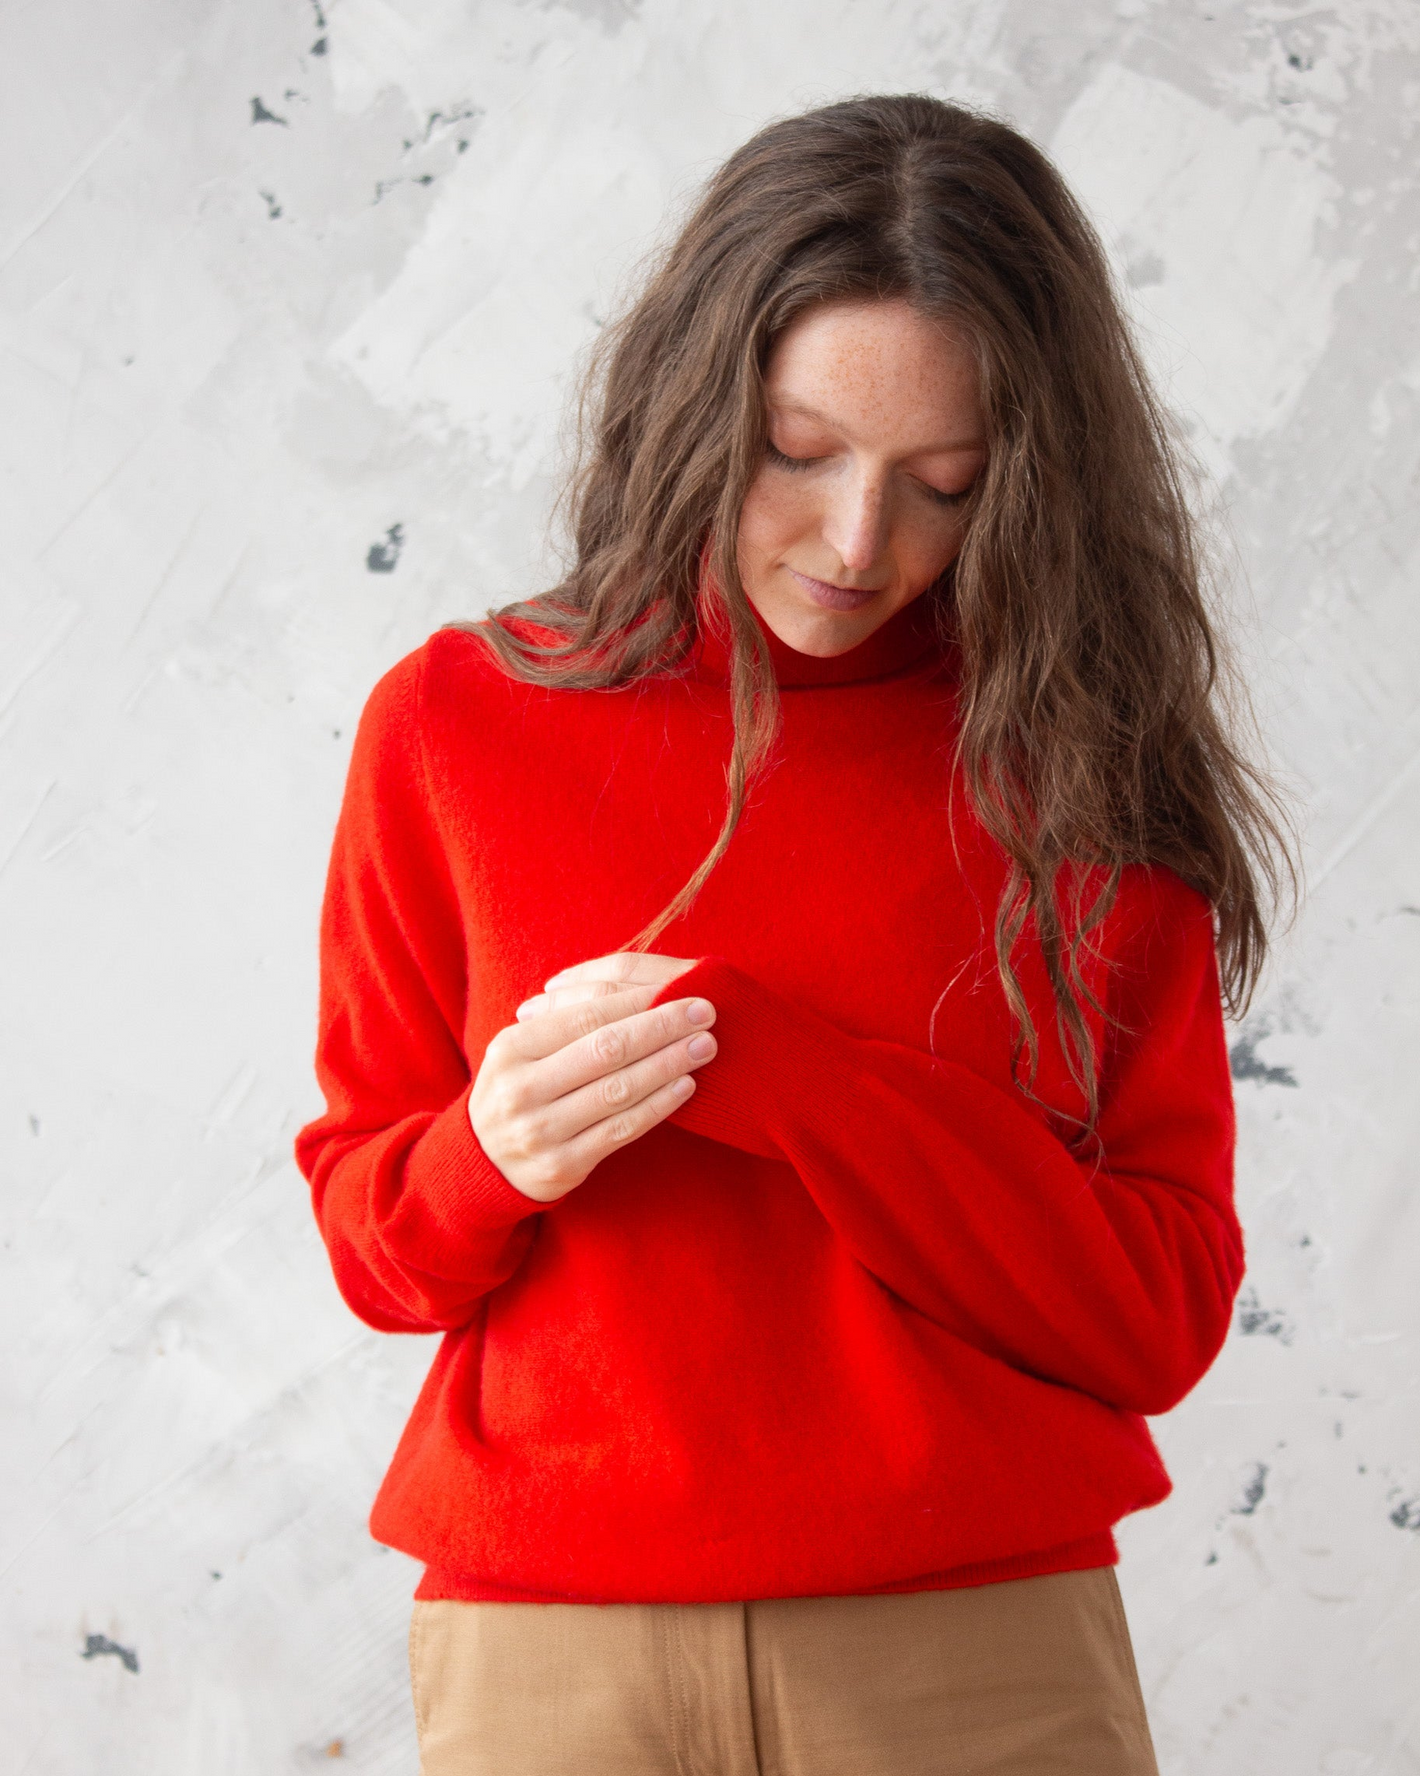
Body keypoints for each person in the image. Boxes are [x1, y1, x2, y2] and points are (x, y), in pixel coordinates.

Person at [295, 94, 1290, 1775]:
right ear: (697, 401)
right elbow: (377, 1245)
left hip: (974, 1644)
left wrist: (809, 1090)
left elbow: (1160, 1314)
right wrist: (492, 1153)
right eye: (799, 449)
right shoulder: (458, 726)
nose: (857, 544)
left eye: (945, 486)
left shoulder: (1083, 772)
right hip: (550, 1643)